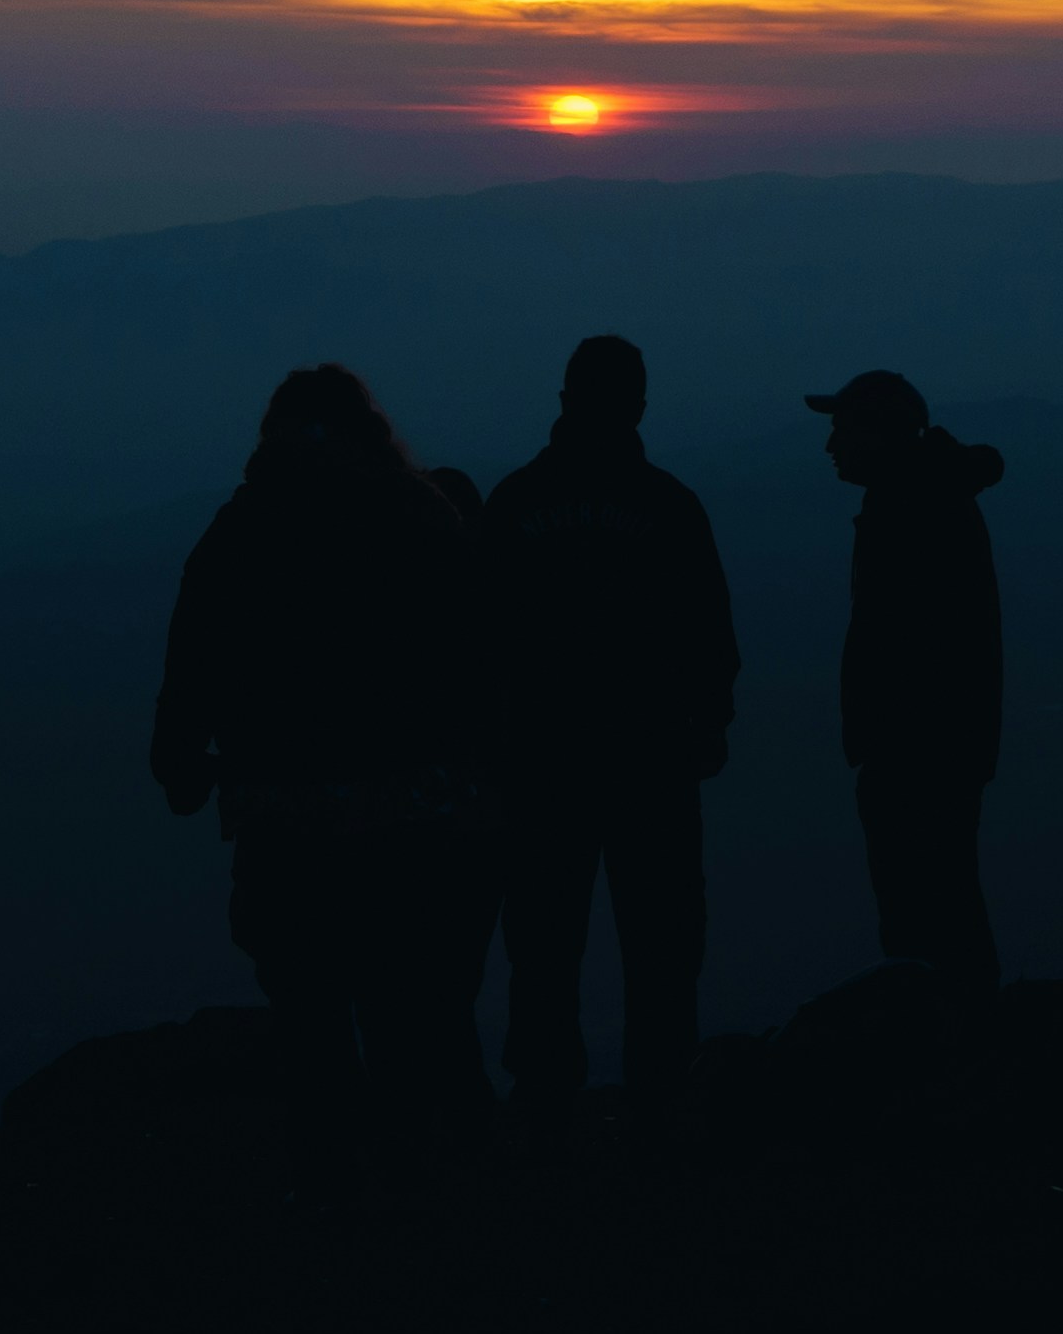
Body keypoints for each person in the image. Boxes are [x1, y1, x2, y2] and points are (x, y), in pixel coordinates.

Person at [148, 363, 489, 1152]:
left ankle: (339, 1192)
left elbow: (190, 664)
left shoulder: (241, 530)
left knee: (311, 1019)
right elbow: (481, 654)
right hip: (419, 825)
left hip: (286, 825)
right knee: (410, 1019)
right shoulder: (421, 516)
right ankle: (431, 1199)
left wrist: (179, 764)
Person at [480, 333, 736, 1117]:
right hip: (650, 761)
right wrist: (707, 729)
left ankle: (545, 1094)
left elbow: (475, 635)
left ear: (563, 401)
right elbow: (711, 634)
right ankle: (664, 1089)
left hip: (539, 764)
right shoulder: (669, 505)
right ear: (640, 406)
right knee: (662, 939)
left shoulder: (516, 502)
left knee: (544, 937)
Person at [810, 369, 1004, 984]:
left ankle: (947, 1048)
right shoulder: (922, 496)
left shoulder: (912, 507)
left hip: (918, 750)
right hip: (934, 746)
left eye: (842, 429)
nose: (830, 445)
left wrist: (886, 733)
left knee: (924, 913)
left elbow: (912, 641)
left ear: (879, 432)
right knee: (943, 901)